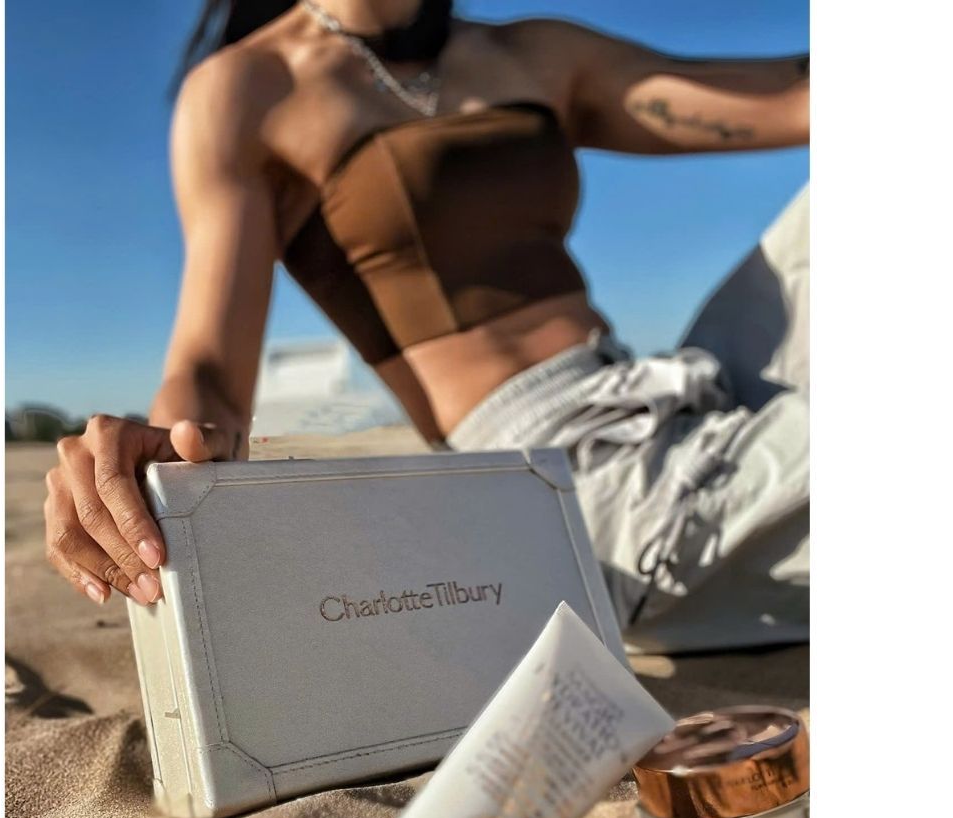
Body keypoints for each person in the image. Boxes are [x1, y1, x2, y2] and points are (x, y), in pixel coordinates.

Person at [42, 0, 809, 653]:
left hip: (671, 388)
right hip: (559, 478)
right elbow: (209, 368)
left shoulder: (533, 53)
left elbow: (799, 98)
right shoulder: (252, 87)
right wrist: (158, 454)